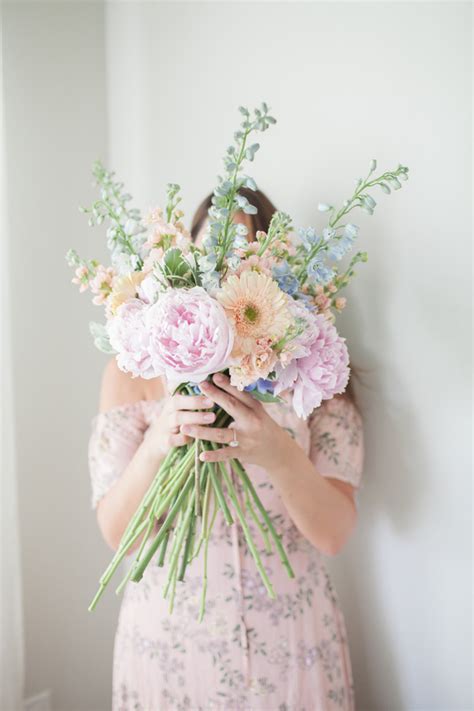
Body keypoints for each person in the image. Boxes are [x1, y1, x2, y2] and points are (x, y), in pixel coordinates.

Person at [88, 188, 365, 711]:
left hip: (290, 636)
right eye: (215, 254)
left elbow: (334, 534)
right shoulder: (134, 373)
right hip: (169, 639)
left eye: (247, 253)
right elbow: (117, 534)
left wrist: (277, 452)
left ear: (278, 276)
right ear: (182, 269)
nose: (230, 268)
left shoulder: (314, 369)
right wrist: (157, 444)